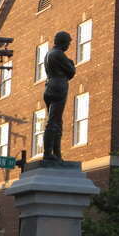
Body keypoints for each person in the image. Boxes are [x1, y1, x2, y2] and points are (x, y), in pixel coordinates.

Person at [42, 31, 76, 161]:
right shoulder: (59, 54)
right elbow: (71, 71)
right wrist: (71, 63)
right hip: (58, 87)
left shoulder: (48, 54)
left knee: (56, 121)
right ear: (63, 42)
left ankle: (56, 153)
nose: (69, 45)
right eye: (68, 42)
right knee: (54, 121)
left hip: (49, 86)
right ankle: (48, 153)